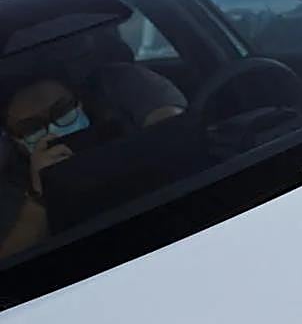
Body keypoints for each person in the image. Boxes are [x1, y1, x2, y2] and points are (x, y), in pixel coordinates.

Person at [0, 68, 186, 258]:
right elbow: (11, 263)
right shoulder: (11, 186)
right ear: (16, 141)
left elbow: (175, 134)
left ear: (80, 103)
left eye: (62, 111)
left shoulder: (125, 123)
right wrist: (40, 194)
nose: (53, 130)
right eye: (32, 128)